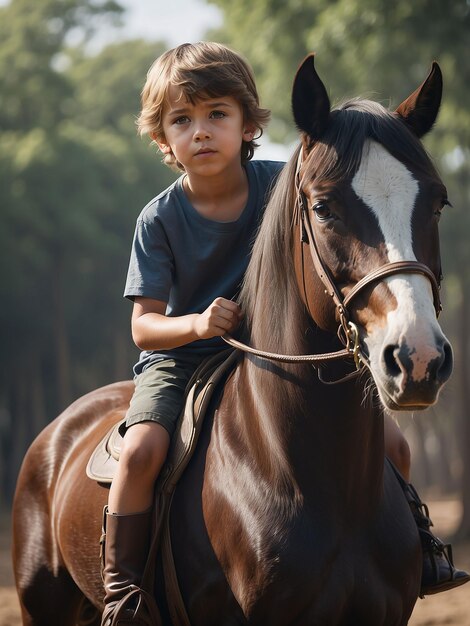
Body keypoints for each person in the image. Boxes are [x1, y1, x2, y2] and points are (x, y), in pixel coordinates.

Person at [100, 41, 468, 626]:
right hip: (182, 358)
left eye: (217, 114)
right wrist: (196, 322)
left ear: (249, 123)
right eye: (182, 120)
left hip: (277, 355)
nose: (201, 132)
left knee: (394, 445)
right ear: (162, 140)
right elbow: (143, 326)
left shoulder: (285, 184)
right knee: (142, 452)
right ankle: (122, 593)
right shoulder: (159, 218)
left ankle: (420, 549)